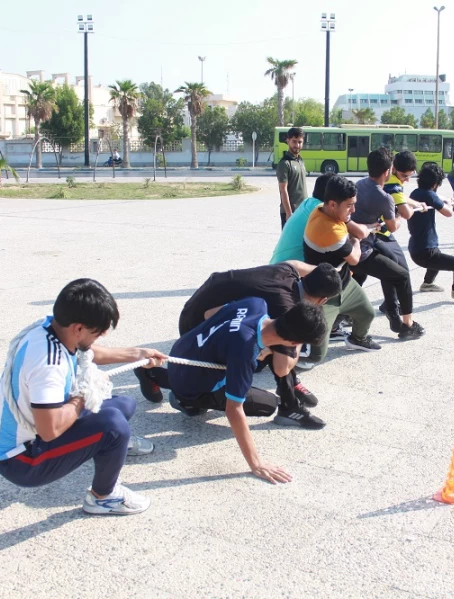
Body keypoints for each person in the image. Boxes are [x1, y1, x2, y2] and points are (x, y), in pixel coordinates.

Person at [0, 279, 168, 516]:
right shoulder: (48, 364)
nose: (101, 336)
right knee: (114, 428)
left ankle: (112, 447)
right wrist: (85, 391)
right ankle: (102, 498)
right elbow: (49, 430)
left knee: (124, 405)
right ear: (78, 328)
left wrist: (138, 354)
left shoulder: (50, 328)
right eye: (97, 332)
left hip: (38, 431)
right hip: (21, 460)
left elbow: (90, 352)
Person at [160, 261, 341, 428]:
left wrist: (326, 273)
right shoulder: (285, 305)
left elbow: (295, 263)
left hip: (201, 307)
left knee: (274, 340)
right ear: (322, 300)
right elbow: (281, 368)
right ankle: (289, 407)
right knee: (279, 343)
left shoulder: (286, 271)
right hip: (202, 325)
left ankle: (291, 397)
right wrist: (301, 336)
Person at [167, 299, 327, 483]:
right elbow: (233, 409)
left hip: (180, 353)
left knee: (254, 357)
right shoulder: (244, 350)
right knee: (268, 404)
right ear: (293, 341)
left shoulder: (256, 304)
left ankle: (156, 375)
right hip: (188, 383)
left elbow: (211, 313)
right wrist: (256, 464)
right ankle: (185, 400)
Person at [350, 148, 425, 340]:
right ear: (388, 171)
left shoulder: (360, 184)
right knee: (402, 275)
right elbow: (392, 227)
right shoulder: (384, 198)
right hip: (363, 248)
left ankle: (389, 311)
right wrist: (400, 215)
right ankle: (407, 325)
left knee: (372, 274)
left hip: (353, 242)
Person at [303, 175, 381, 359]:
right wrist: (355, 239)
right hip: (324, 294)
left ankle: (357, 338)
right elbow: (355, 259)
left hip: (345, 284)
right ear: (332, 204)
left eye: (354, 204)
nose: (353, 210)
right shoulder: (330, 230)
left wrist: (359, 228)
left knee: (367, 314)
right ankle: (299, 345)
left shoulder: (321, 208)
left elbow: (352, 227)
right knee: (316, 356)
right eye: (349, 205)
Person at [408, 163, 454, 300]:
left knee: (438, 255)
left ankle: (427, 283)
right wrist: (450, 204)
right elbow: (448, 213)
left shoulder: (415, 193)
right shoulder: (430, 195)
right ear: (435, 183)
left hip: (416, 249)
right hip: (426, 252)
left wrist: (447, 199)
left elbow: (434, 197)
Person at [276, 127, 308, 228]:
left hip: (303, 211)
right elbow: (283, 190)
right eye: (294, 142)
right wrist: (289, 214)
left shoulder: (300, 160)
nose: (297, 145)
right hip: (291, 213)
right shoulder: (284, 163)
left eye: (300, 142)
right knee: (290, 244)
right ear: (288, 141)